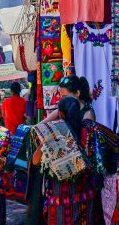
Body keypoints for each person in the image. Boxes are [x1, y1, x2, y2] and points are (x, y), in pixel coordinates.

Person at [29, 96, 105, 224]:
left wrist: (44, 143)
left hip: (61, 202)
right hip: (86, 197)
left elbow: (35, 161)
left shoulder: (54, 134)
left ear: (61, 113)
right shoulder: (90, 130)